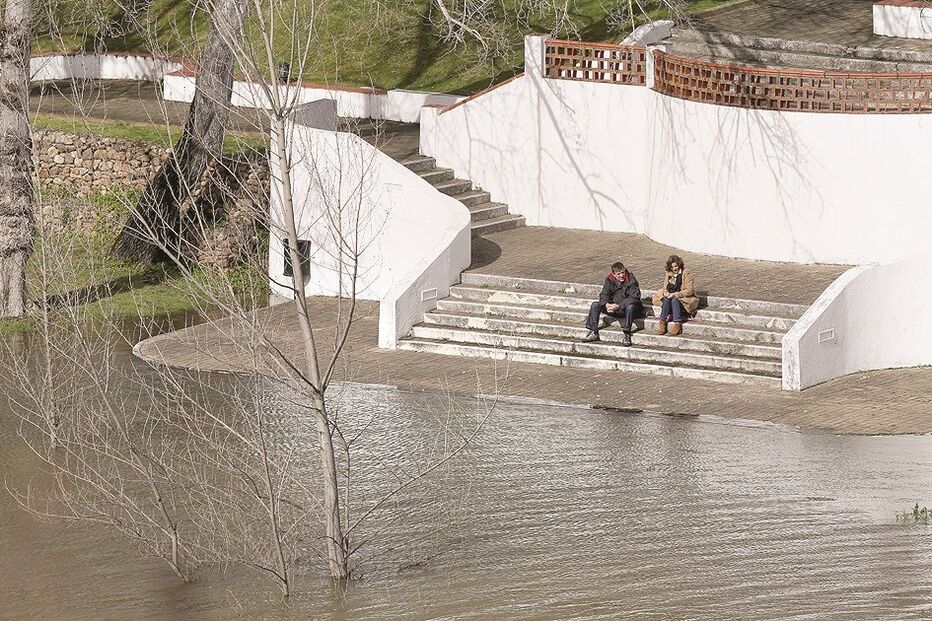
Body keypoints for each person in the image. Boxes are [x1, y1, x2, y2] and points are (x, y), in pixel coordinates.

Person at [582, 261, 642, 346]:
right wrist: (606, 304)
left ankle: (627, 334)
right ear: (613, 274)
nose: (621, 275)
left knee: (630, 307)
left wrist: (618, 306)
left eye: (623, 273)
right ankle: (593, 331)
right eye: (618, 274)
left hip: (626, 308)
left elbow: (634, 297)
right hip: (613, 307)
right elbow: (604, 294)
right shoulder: (609, 280)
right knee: (595, 305)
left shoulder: (631, 280)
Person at [651, 254, 699, 336]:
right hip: (670, 300)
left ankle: (677, 324)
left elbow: (689, 291)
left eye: (676, 266)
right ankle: (662, 322)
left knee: (674, 299)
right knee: (666, 299)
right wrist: (666, 293)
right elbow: (665, 287)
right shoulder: (669, 274)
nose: (674, 269)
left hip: (683, 300)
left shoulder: (687, 273)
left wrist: (675, 294)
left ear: (679, 265)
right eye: (672, 267)